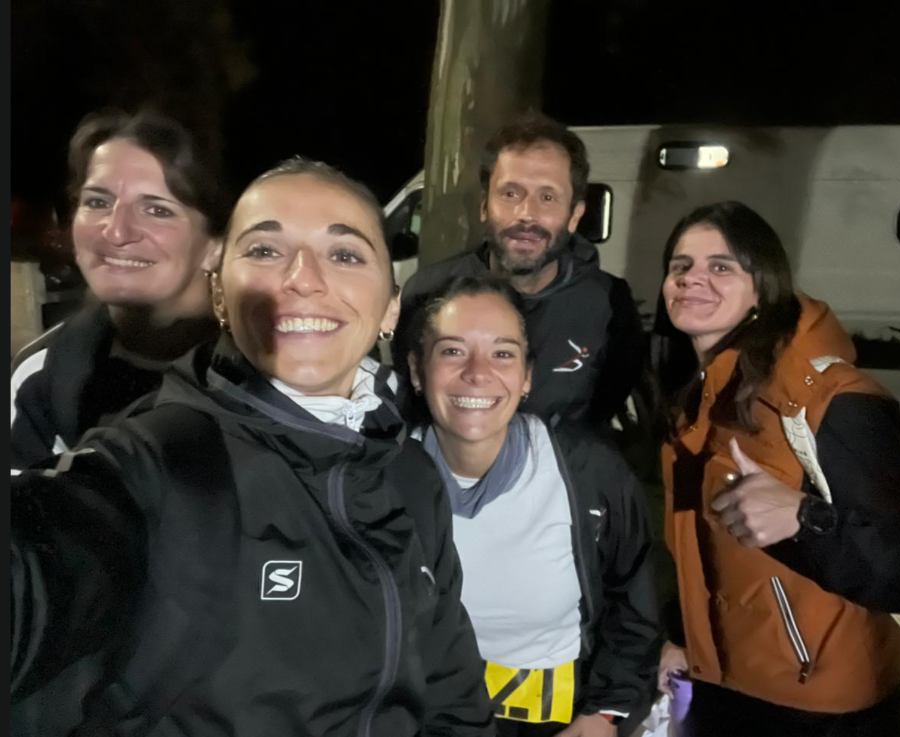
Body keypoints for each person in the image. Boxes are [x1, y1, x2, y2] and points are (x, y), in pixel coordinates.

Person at [11, 159, 494, 737]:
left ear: (391, 305)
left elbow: (452, 688)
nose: (302, 277)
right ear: (219, 293)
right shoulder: (164, 465)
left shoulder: (410, 474)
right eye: (265, 250)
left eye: (344, 254)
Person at [653, 202, 900, 736]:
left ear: (762, 287)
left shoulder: (828, 398)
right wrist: (684, 636)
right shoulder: (699, 397)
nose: (692, 278)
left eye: (721, 266)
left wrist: (804, 519)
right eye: (681, 266)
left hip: (820, 710)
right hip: (725, 687)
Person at [405, 275, 661, 737]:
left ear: (527, 376)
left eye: (503, 353)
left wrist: (606, 712)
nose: (477, 372)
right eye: (452, 351)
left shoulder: (588, 472)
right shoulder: (383, 481)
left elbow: (634, 598)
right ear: (417, 371)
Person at [395, 113, 646, 429]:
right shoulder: (426, 292)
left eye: (548, 197)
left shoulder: (609, 303)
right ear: (484, 205)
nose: (527, 213)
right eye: (510, 194)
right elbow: (412, 409)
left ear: (574, 215)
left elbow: (599, 418)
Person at [11, 109, 229, 472]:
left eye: (157, 210)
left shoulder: (273, 369)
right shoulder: (45, 373)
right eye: (97, 202)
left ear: (216, 246)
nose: (115, 232)